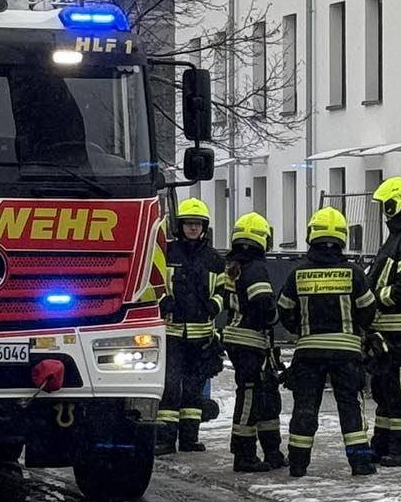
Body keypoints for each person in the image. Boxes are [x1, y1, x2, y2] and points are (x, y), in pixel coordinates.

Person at [278, 207, 377, 478]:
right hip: (346, 353)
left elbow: (284, 310)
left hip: (308, 352)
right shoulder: (354, 273)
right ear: (342, 237)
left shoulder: (297, 273)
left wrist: (302, 329)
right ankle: (360, 463)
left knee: (305, 406)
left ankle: (298, 463)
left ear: (312, 235)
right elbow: (368, 310)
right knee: (350, 405)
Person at [156, 198, 225, 455]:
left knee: (194, 390)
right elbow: (155, 283)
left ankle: (189, 439)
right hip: (172, 332)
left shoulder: (214, 259)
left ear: (204, 227)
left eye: (197, 224)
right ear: (180, 226)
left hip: (202, 335)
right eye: (189, 224)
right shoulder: (167, 253)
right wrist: (164, 301)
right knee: (170, 387)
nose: (193, 228)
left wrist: (214, 306)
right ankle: (165, 439)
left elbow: (223, 290)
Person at [224, 212, 286, 473]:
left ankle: (272, 451)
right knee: (250, 395)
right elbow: (263, 304)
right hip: (251, 341)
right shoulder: (256, 268)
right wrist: (273, 316)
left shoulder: (234, 266)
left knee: (266, 393)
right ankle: (244, 454)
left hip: (240, 340)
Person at [366, 177, 401, 467]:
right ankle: (383, 443)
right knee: (384, 389)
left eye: (385, 204)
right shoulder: (398, 237)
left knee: (399, 388)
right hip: (384, 328)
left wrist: (376, 299)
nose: (383, 211)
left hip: (398, 329)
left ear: (395, 204)